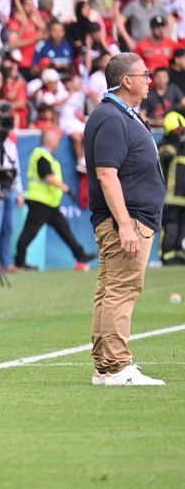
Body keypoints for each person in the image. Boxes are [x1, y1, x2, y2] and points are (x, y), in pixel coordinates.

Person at [84, 53, 167, 385]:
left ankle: (105, 366)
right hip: (127, 218)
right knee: (121, 290)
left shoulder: (118, 115)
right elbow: (106, 174)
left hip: (128, 217)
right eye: (144, 74)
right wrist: (124, 224)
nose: (150, 80)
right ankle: (117, 366)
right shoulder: (113, 118)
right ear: (127, 81)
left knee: (109, 290)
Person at [14, 129, 96, 270]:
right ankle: (18, 263)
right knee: (30, 232)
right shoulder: (41, 156)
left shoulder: (48, 156)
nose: (58, 141)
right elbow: (48, 177)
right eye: (55, 138)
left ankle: (80, 255)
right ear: (48, 140)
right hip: (40, 202)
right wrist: (66, 189)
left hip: (49, 203)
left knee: (64, 229)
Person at [0, 136, 24, 272]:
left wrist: (19, 192)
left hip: (10, 188)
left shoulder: (11, 146)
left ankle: (6, 263)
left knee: (8, 228)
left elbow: (16, 168)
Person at [159, 110, 185, 264]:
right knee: (171, 228)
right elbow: (165, 156)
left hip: (183, 199)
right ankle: (168, 257)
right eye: (178, 130)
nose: (180, 133)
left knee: (182, 230)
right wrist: (177, 143)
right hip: (170, 197)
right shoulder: (164, 146)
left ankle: (180, 256)